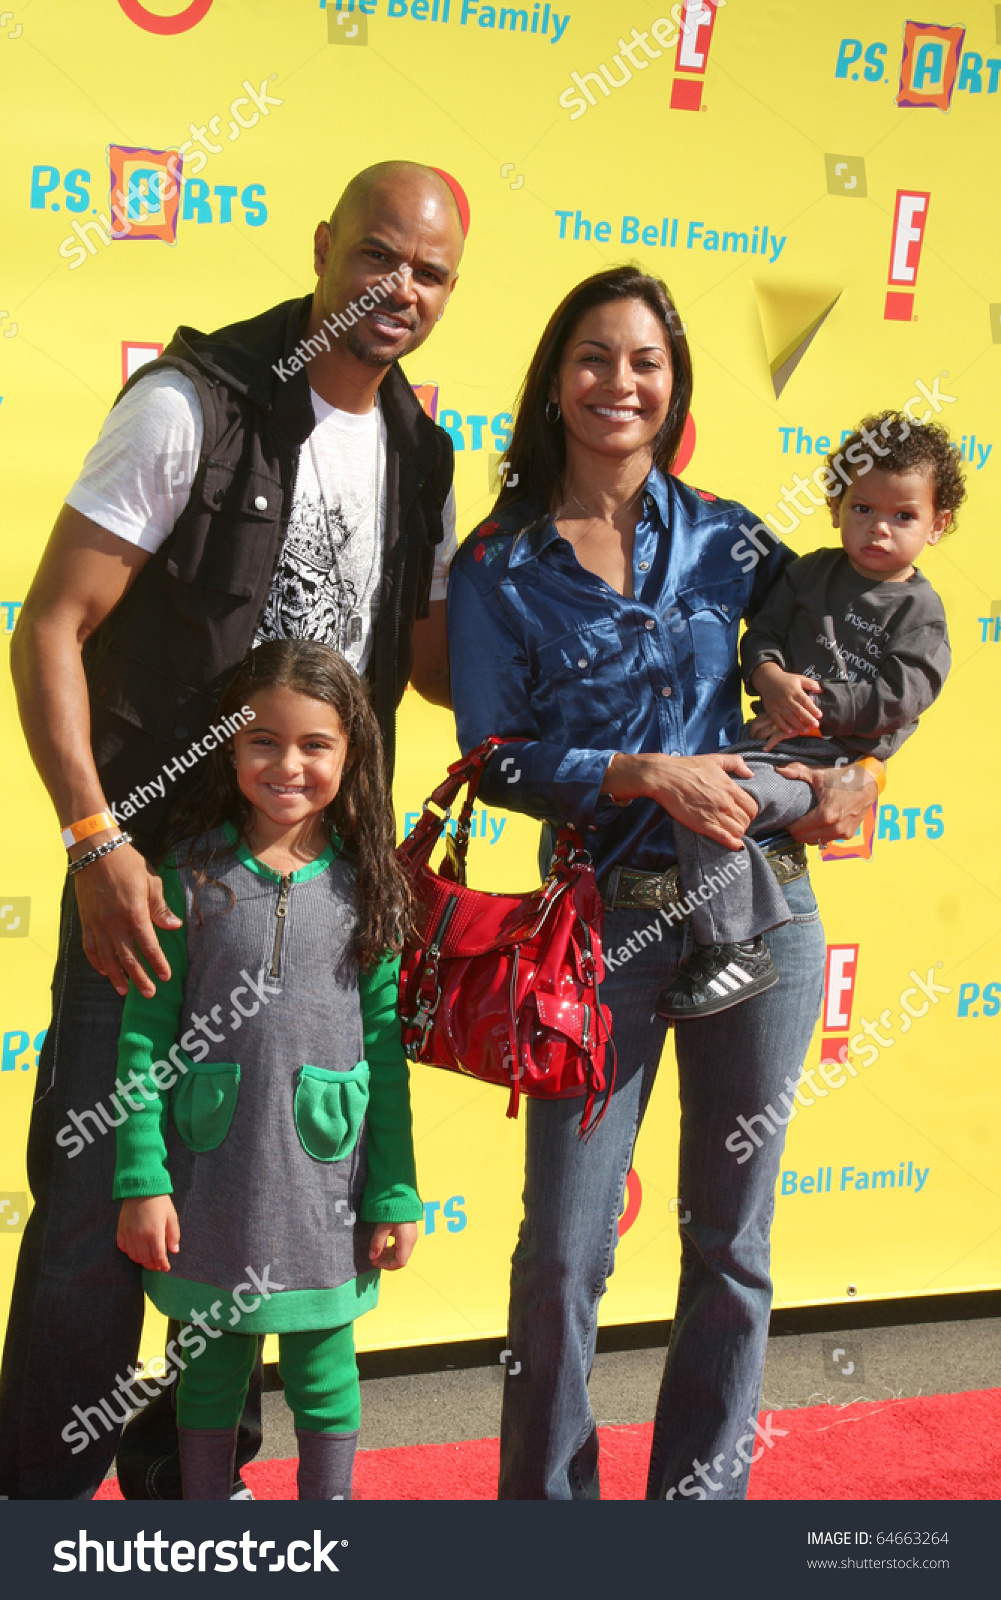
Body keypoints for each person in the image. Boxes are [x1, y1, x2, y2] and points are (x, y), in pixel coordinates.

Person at [1, 160, 464, 1500]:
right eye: (379, 256)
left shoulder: (422, 451)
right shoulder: (189, 405)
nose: (402, 291)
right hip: (147, 886)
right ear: (323, 246)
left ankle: (186, 1498)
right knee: (96, 1219)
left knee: (260, 1214)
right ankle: (38, 1509)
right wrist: (96, 841)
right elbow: (51, 628)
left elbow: (434, 669)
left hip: (309, 900)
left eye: (431, 273)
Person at [446, 265, 882, 1501]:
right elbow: (494, 757)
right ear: (553, 382)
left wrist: (849, 767)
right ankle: (546, 1522)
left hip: (762, 916)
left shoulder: (736, 540)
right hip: (596, 941)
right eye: (593, 357)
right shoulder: (499, 564)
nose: (618, 383)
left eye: (644, 362)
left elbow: (838, 677)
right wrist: (640, 772)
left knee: (730, 1248)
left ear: (673, 385)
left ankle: (699, 1518)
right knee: (561, 1254)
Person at [113, 641, 419, 1500]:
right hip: (211, 1182)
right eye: (262, 742)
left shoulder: (373, 888)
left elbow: (386, 1053)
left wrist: (393, 1193)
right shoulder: (187, 875)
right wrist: (143, 1179)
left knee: (325, 1375)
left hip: (325, 1187)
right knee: (207, 1372)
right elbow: (143, 1039)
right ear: (229, 748)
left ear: (351, 751)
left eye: (314, 745)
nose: (288, 764)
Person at [656, 413, 960, 1019]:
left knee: (716, 804)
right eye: (863, 509)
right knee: (696, 788)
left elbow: (905, 697)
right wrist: (770, 680)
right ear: (835, 506)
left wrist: (816, 714)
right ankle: (744, 935)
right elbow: (761, 636)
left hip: (827, 763)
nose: (879, 529)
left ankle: (734, 945)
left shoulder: (920, 611)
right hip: (769, 738)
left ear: (937, 525)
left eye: (904, 516)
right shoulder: (808, 572)